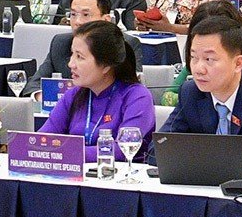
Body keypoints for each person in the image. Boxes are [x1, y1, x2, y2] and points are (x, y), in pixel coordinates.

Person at [160, 11, 242, 174]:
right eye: (194, 57)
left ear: (238, 63)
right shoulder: (191, 92)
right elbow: (158, 150)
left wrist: (202, 154)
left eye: (209, 60)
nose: (198, 69)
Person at [39, 20, 158, 158]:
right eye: (72, 54)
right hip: (75, 175)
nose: (71, 64)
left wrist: (68, 152)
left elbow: (123, 149)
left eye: (79, 57)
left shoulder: (137, 96)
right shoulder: (73, 95)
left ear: (106, 65)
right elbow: (43, 139)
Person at [37, 0, 112, 79]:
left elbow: (129, 88)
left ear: (106, 20)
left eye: (86, 15)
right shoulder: (60, 43)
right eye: (73, 14)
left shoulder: (124, 45)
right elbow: (35, 83)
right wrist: (41, 93)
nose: (78, 21)